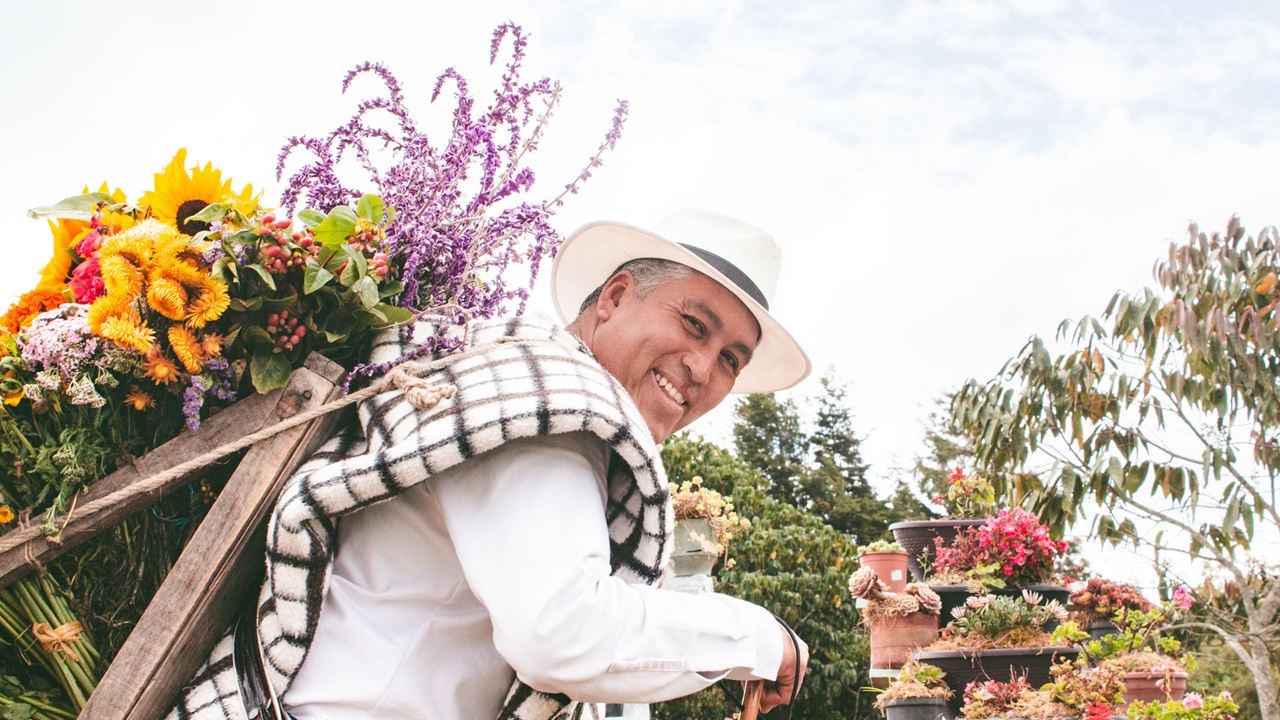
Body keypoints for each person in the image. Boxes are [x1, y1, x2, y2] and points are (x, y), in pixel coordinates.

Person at [169, 209, 812, 720]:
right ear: (614, 296)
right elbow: (561, 633)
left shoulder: (514, 381)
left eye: (731, 358)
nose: (702, 369)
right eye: (695, 324)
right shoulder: (552, 411)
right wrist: (757, 638)